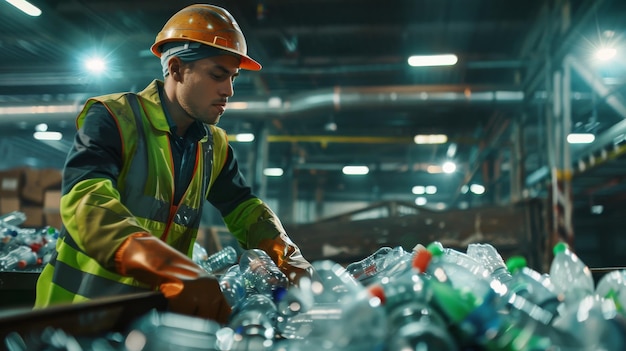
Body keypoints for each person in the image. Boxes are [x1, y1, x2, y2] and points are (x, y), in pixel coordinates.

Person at [34, 3, 313, 324]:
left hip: (146, 322)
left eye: (233, 77)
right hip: (73, 315)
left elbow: (244, 208)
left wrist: (289, 259)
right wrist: (172, 269)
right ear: (177, 69)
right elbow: (87, 206)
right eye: (218, 75)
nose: (229, 90)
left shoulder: (213, 145)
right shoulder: (114, 118)